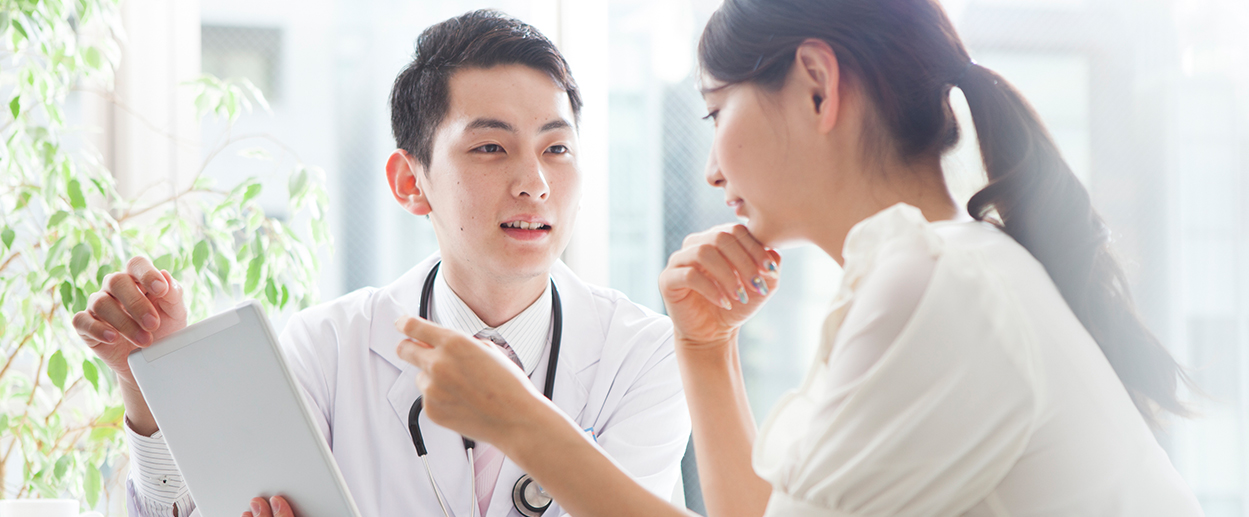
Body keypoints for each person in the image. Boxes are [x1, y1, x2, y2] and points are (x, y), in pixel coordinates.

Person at [393, 0, 1206, 515]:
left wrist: (518, 421)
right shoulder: (934, 272)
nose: (710, 171)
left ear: (816, 84)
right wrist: (706, 349)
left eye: (716, 112)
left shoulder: (939, 287)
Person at [72, 10, 691, 517]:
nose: (535, 182)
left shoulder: (644, 356)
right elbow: (212, 508)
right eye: (490, 147)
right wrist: (150, 385)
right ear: (409, 182)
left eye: (557, 148)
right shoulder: (327, 349)